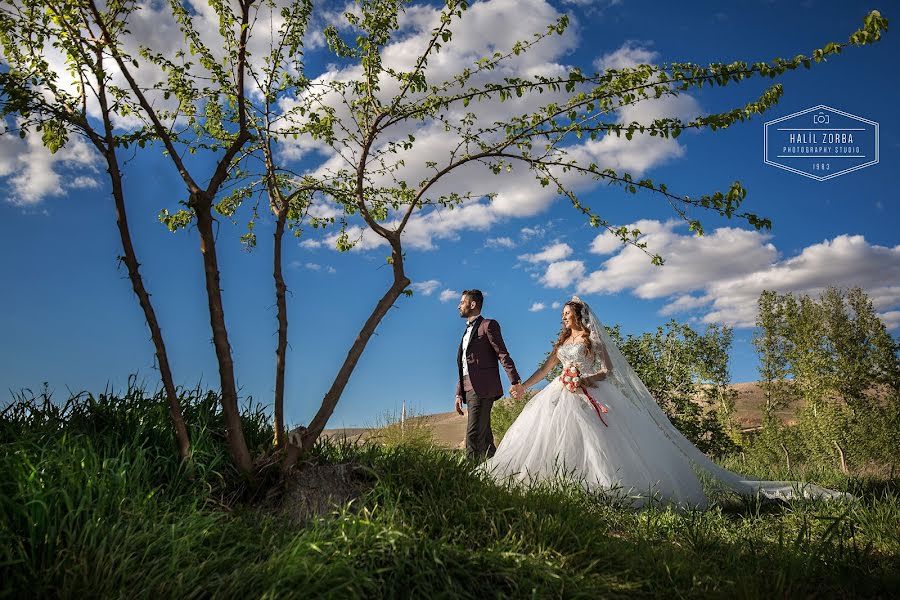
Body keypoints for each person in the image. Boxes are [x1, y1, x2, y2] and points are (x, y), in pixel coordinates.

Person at [484, 296, 850, 509]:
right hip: (559, 395)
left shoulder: (593, 341)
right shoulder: (562, 342)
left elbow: (608, 372)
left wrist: (584, 379)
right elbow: (548, 367)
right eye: (562, 315)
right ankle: (557, 487)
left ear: (580, 315)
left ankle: (605, 490)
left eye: (567, 313)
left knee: (600, 445)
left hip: (589, 393)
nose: (563, 317)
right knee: (548, 440)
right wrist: (525, 387)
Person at [455, 289, 525, 459]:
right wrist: (459, 393)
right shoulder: (466, 332)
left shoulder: (488, 325)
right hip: (468, 387)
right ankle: (498, 473)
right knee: (485, 440)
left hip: (483, 388)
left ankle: (469, 479)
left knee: (473, 436)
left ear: (473, 305)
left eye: (462, 302)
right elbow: (465, 365)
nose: (459, 306)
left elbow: (502, 354)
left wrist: (515, 381)